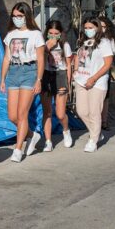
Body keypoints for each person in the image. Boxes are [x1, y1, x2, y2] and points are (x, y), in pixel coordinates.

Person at [0, 2, 45, 163]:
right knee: (12, 115)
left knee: (22, 114)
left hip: (29, 72)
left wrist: (38, 79)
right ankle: (32, 135)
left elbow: (40, 58)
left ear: (27, 16)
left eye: (20, 16)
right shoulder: (10, 35)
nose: (17, 19)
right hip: (13, 72)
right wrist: (2, 79)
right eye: (14, 16)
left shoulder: (35, 34)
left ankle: (18, 149)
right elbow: (6, 58)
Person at [73, 17, 115, 152]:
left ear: (97, 28)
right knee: (81, 111)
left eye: (91, 27)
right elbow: (78, 57)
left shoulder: (104, 42)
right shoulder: (83, 41)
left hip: (97, 82)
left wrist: (94, 78)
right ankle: (97, 133)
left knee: (94, 112)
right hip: (81, 80)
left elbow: (108, 64)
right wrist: (75, 71)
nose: (88, 30)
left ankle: (93, 140)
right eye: (86, 28)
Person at [37, 20, 73, 151]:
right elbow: (39, 60)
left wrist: (68, 83)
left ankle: (66, 130)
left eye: (56, 33)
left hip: (60, 75)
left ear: (60, 33)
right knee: (47, 111)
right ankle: (48, 141)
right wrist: (47, 48)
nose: (53, 36)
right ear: (47, 33)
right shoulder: (43, 45)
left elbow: (69, 65)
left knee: (60, 114)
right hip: (46, 75)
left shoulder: (65, 45)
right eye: (50, 33)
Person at [98, 16, 115, 130]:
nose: (102, 29)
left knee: (104, 98)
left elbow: (110, 59)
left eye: (104, 27)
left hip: (104, 71)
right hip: (91, 72)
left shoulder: (109, 40)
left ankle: (104, 121)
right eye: (100, 26)